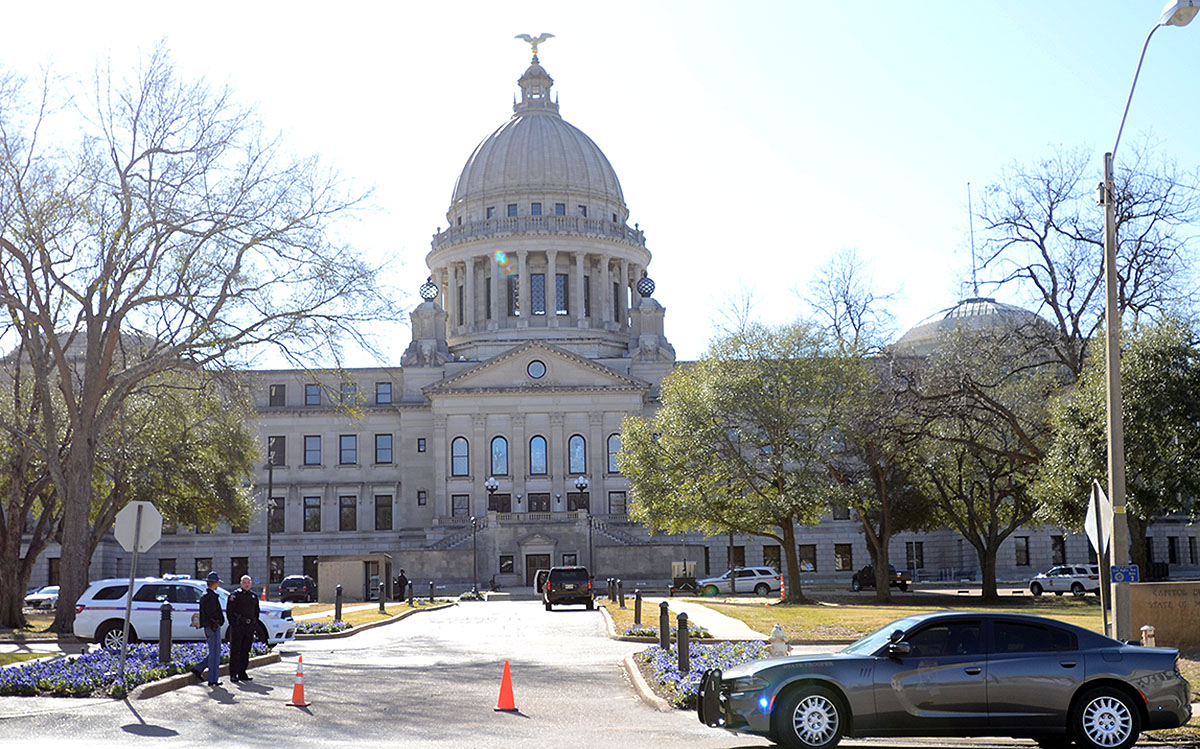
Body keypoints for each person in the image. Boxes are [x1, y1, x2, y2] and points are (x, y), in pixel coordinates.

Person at [193, 571, 224, 686]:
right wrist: (217, 622)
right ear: (215, 583)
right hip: (213, 627)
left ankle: (198, 668)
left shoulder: (205, 595)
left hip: (209, 627)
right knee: (215, 654)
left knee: (214, 652)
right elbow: (212, 613)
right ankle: (213, 679)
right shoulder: (210, 597)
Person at [227, 574, 260, 682]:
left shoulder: (253, 596)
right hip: (238, 627)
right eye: (244, 582)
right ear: (241, 583)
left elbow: (256, 612)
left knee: (245, 650)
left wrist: (254, 625)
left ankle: (242, 673)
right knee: (236, 650)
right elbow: (230, 612)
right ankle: (233, 674)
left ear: (251, 584)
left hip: (248, 627)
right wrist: (234, 624)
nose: (246, 584)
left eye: (248, 582)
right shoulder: (235, 595)